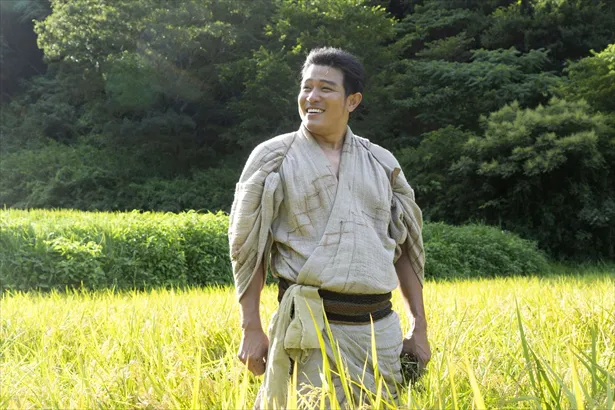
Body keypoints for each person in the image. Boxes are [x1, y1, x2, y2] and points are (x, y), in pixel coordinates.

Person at [228, 47, 430, 409]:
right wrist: (251, 327)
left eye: (325, 88)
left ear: (352, 100)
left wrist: (419, 327)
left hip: (378, 332)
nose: (312, 97)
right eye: (306, 88)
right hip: (308, 331)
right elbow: (247, 248)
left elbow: (406, 249)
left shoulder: (382, 163)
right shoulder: (273, 157)